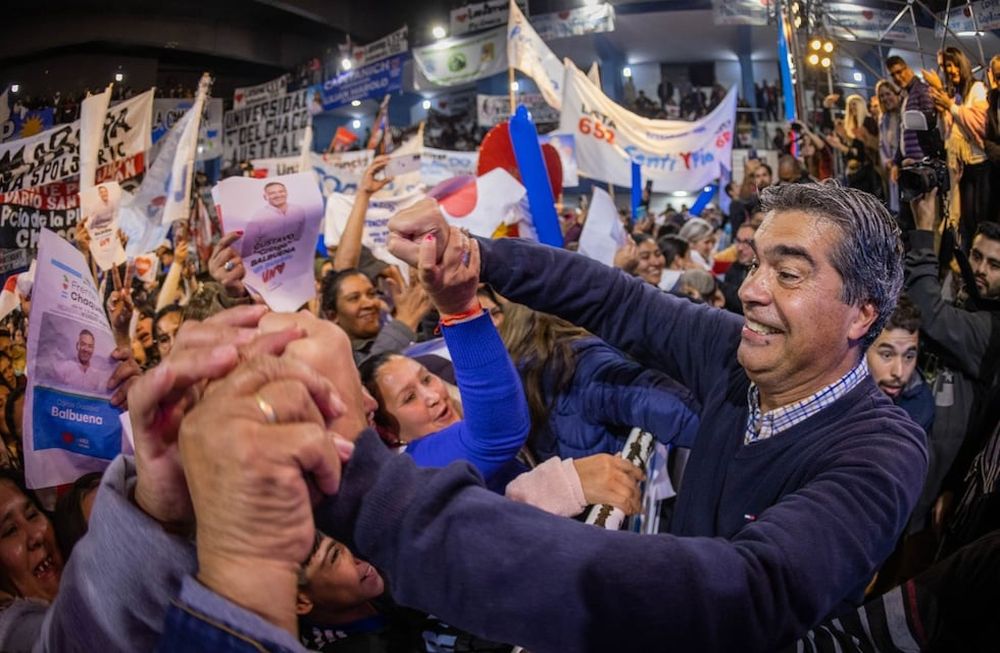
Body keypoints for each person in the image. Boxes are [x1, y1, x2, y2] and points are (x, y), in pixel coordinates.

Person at [498, 301, 699, 462]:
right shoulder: (583, 364)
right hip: (611, 499)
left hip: (571, 507)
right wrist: (724, 434)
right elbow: (662, 406)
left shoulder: (505, 379)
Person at [930, 47, 989, 251]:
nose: (951, 71)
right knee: (963, 218)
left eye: (952, 65)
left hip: (978, 165)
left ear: (961, 65)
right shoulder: (956, 95)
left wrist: (951, 107)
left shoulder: (977, 88)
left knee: (976, 218)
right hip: (960, 168)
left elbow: (980, 123)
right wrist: (943, 110)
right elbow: (949, 131)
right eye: (946, 68)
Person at [320, 269, 429, 367]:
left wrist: (435, 307)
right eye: (354, 298)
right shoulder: (338, 360)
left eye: (371, 294)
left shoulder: (396, 336)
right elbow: (369, 372)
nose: (369, 303)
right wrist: (403, 324)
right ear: (333, 316)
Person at [864, 295, 934, 435]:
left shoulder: (920, 406)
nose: (899, 372)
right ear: (862, 349)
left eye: (909, 357)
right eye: (887, 355)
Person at [887, 55, 940, 233]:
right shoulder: (906, 95)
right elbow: (904, 132)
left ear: (907, 68)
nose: (897, 77)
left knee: (925, 218)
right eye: (893, 74)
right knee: (911, 218)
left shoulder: (921, 90)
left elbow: (929, 125)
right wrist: (896, 162)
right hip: (908, 165)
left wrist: (921, 159)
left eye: (899, 72)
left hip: (920, 165)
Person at [876, 79, 903, 213]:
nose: (885, 98)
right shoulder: (883, 119)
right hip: (890, 165)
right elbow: (882, 144)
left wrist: (896, 160)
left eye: (888, 94)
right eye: (882, 96)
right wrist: (886, 160)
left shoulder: (903, 114)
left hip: (903, 163)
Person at [52, 329, 106, 394]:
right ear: (77, 345)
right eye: (83, 344)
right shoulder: (64, 368)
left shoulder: (97, 376)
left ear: (93, 349)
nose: (86, 349)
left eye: (90, 346)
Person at [721, 221, 756, 314]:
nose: (740, 248)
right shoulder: (733, 268)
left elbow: (746, 304)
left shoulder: (765, 273)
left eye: (746, 242)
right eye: (738, 241)